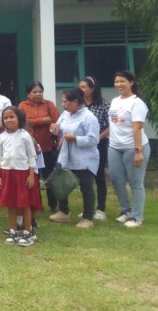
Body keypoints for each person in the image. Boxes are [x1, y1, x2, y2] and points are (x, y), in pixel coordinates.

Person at [49, 88, 100, 228]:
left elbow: (94, 139)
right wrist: (54, 128)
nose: (63, 105)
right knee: (61, 184)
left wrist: (75, 139)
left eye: (66, 102)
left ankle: (87, 218)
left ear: (76, 101)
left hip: (84, 159)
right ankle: (63, 212)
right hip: (65, 156)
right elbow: (59, 129)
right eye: (62, 102)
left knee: (86, 187)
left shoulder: (89, 117)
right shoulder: (66, 114)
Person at [108, 70, 150, 228]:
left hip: (133, 147)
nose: (118, 84)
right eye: (116, 81)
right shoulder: (115, 101)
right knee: (116, 179)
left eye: (122, 81)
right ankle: (126, 211)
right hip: (115, 146)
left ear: (131, 83)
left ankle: (137, 217)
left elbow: (137, 128)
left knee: (135, 182)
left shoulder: (137, 103)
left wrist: (138, 152)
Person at [0, 106, 37, 247]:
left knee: (24, 203)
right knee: (11, 203)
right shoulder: (2, 136)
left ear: (19, 118)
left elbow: (32, 156)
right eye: (5, 118)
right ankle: (13, 231)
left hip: (22, 173)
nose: (9, 120)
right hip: (6, 173)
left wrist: (31, 175)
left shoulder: (25, 135)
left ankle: (27, 232)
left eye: (12, 117)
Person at [18, 81, 60, 212]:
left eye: (40, 91)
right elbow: (21, 123)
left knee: (49, 177)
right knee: (33, 178)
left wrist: (51, 125)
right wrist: (43, 121)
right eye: (34, 92)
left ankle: (53, 205)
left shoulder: (49, 104)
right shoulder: (22, 106)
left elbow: (57, 122)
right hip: (28, 150)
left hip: (47, 148)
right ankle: (35, 205)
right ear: (28, 94)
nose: (38, 94)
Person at [79, 76, 110, 221]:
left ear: (92, 89)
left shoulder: (103, 105)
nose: (81, 89)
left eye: (84, 87)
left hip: (99, 143)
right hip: (82, 144)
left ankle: (101, 209)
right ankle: (88, 208)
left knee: (99, 176)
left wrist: (98, 137)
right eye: (80, 87)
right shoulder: (79, 104)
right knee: (85, 176)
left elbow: (110, 125)